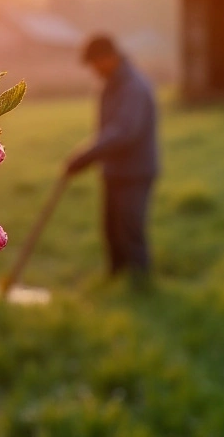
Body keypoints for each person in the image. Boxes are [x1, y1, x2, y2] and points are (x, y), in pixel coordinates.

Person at [64, 34, 159, 281]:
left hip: (135, 172)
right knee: (112, 231)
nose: (93, 70)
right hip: (114, 171)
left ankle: (140, 284)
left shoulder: (134, 86)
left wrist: (86, 156)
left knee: (130, 230)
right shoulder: (110, 83)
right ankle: (116, 279)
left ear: (109, 57)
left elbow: (123, 132)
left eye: (94, 63)